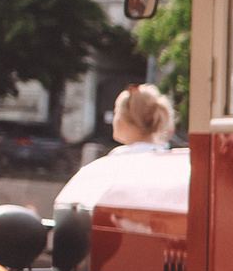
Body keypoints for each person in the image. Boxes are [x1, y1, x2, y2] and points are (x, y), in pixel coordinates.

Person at [53, 85, 180, 213]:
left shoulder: (117, 160)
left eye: (116, 112)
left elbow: (76, 207)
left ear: (124, 119)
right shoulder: (171, 162)